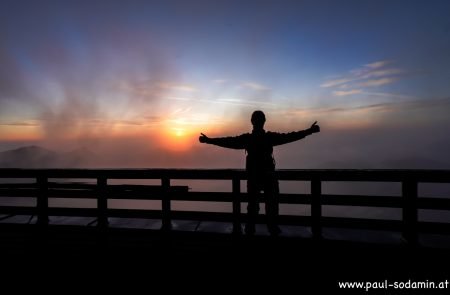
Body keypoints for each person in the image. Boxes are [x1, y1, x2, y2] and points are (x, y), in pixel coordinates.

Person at [199, 110, 320, 236]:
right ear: (264, 121)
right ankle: (272, 231)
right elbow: (290, 136)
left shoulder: (248, 139)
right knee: (271, 207)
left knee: (252, 208)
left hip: (253, 178)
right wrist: (309, 131)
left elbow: (228, 141)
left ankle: (250, 232)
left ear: (252, 122)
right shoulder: (269, 138)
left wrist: (209, 140)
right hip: (269, 177)